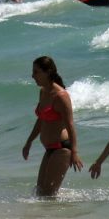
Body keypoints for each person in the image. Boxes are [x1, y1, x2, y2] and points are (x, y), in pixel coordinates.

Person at [22, 56, 83, 196]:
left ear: (48, 72)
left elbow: (70, 125)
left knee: (48, 194)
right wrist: (29, 142)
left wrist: (74, 152)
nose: (32, 76)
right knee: (40, 192)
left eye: (36, 72)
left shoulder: (61, 96)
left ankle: (56, 218)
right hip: (49, 149)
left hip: (62, 149)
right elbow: (41, 120)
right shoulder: (43, 92)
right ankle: (47, 218)